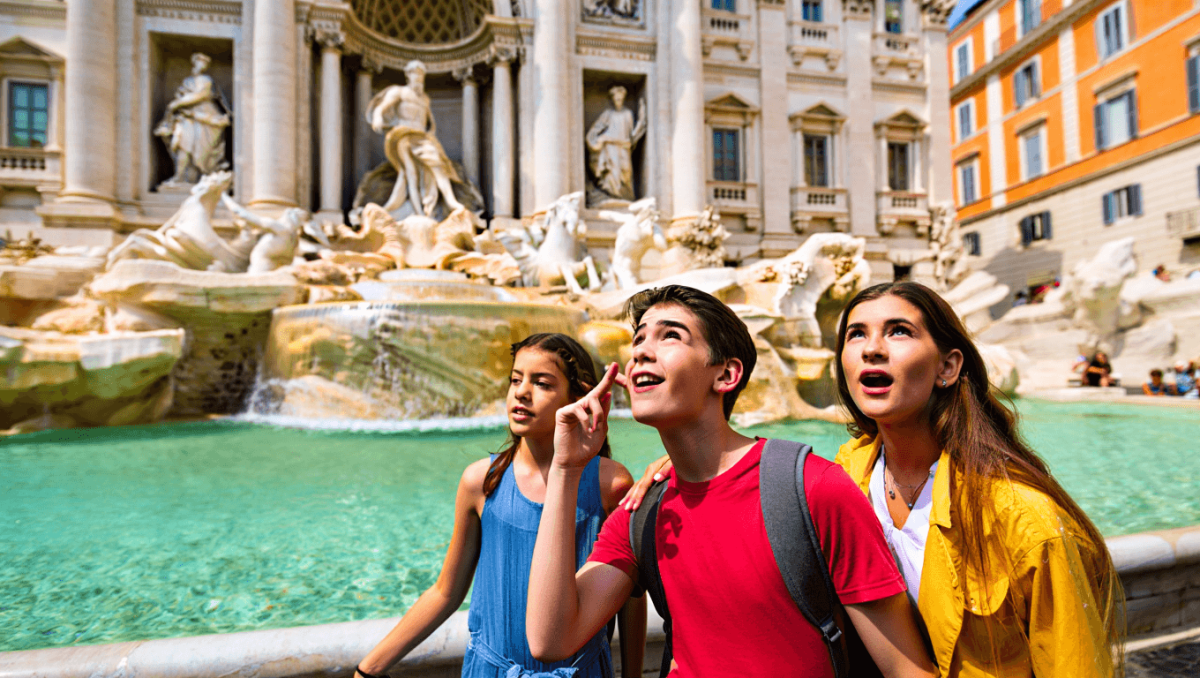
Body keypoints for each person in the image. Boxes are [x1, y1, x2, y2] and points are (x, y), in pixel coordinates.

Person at [527, 285, 935, 677]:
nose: (640, 352)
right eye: (638, 339)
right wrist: (565, 470)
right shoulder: (642, 514)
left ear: (726, 375)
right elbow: (550, 639)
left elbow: (906, 668)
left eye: (670, 336)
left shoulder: (814, 489)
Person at [832, 282, 1124, 676]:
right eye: (857, 334)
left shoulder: (1023, 518)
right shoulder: (847, 472)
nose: (872, 348)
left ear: (947, 367)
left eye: (899, 330)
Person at [353, 333, 644, 678]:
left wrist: (633, 674)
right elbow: (447, 591)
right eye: (516, 380)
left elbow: (629, 595)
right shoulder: (481, 482)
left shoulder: (610, 486)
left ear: (581, 397)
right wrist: (369, 668)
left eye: (542, 383)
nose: (521, 392)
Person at [367, 60, 465, 217]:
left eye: (421, 76)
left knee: (436, 165)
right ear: (408, 75)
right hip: (403, 135)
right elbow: (381, 107)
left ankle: (450, 201)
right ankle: (420, 212)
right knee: (410, 173)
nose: (419, 78)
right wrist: (378, 117)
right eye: (415, 74)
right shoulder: (399, 92)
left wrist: (430, 134)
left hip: (422, 138)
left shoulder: (424, 99)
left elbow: (429, 123)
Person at [154, 52, 231, 186]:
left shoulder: (206, 80)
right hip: (187, 117)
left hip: (205, 117)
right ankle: (180, 177)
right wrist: (177, 104)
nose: (203, 64)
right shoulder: (187, 81)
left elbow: (202, 94)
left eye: (205, 62)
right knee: (182, 145)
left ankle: (200, 178)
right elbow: (181, 95)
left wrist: (177, 104)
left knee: (202, 151)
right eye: (200, 61)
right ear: (194, 63)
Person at [586, 85, 647, 202]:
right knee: (612, 173)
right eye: (616, 99)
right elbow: (595, 130)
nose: (618, 102)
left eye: (620, 99)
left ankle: (624, 197)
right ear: (613, 100)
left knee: (626, 172)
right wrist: (594, 140)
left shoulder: (628, 113)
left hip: (623, 147)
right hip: (610, 148)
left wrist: (640, 126)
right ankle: (613, 197)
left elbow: (630, 134)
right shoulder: (608, 114)